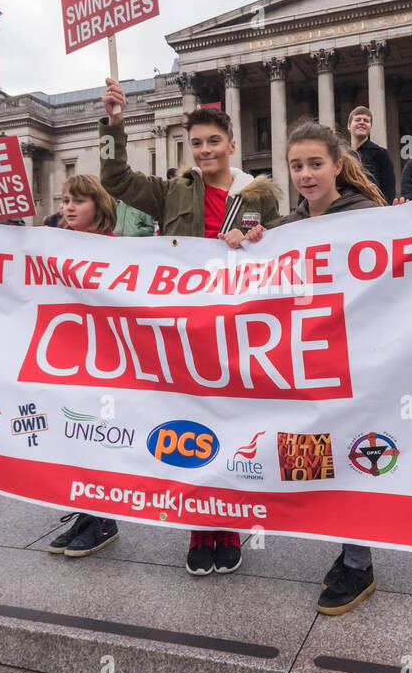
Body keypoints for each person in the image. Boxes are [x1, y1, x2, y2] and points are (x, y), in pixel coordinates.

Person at [99, 77, 280, 576]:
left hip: (238, 327)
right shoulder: (171, 190)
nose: (204, 150)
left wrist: (262, 234)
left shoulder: (258, 196)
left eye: (213, 141)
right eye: (196, 142)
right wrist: (113, 121)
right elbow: (115, 180)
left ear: (231, 145)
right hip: (185, 325)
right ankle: (201, 530)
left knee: (230, 424)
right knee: (190, 427)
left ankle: (228, 526)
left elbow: (288, 247)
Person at [235, 120, 388, 615]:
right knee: (319, 455)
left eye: (315, 164)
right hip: (313, 359)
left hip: (361, 355)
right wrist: (248, 244)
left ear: (338, 167)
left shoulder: (369, 216)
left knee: (356, 456)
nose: (305, 174)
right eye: (296, 165)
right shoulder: (290, 228)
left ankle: (359, 560)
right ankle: (345, 547)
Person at [45, 174, 122, 558]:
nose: (68, 208)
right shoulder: (58, 246)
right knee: (78, 438)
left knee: (100, 438)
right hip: (71, 359)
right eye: (64, 201)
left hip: (108, 362)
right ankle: (87, 514)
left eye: (78, 201)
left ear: (99, 206)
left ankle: (105, 520)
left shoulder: (116, 249)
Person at [345, 106, 397, 202]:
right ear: (349, 126)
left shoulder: (381, 154)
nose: (362, 122)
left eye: (366, 120)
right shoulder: (343, 157)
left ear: (370, 127)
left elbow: (389, 190)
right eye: (357, 119)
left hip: (372, 209)